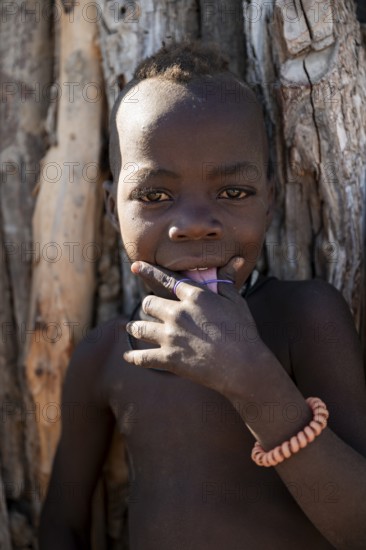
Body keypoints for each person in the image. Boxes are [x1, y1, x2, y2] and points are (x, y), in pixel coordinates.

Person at [38, 40, 366, 549]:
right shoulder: (106, 355)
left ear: (270, 201)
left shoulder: (304, 319)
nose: (193, 226)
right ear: (110, 208)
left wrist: (251, 377)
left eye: (233, 193)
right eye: (155, 196)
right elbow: (61, 525)